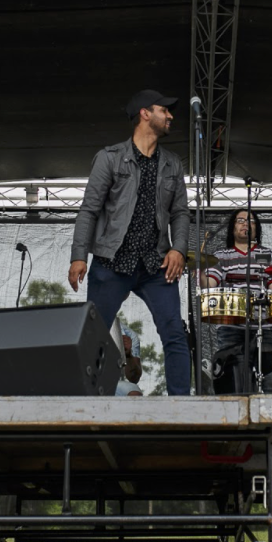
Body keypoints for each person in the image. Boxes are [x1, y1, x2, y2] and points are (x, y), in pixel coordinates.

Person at [68, 89, 192, 395]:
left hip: (155, 264)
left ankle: (181, 407)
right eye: (165, 110)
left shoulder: (172, 164)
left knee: (175, 333)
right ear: (145, 114)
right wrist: (78, 255)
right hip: (112, 262)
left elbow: (180, 213)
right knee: (93, 339)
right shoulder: (109, 158)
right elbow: (89, 209)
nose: (170, 115)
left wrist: (178, 249)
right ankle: (86, 406)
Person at [203, 209, 272, 394]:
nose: (245, 224)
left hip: (263, 326)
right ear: (232, 227)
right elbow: (209, 284)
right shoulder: (221, 256)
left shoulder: (270, 255)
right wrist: (198, 271)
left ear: (256, 228)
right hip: (230, 327)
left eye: (250, 221)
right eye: (240, 220)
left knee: (271, 385)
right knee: (233, 384)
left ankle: (271, 422)